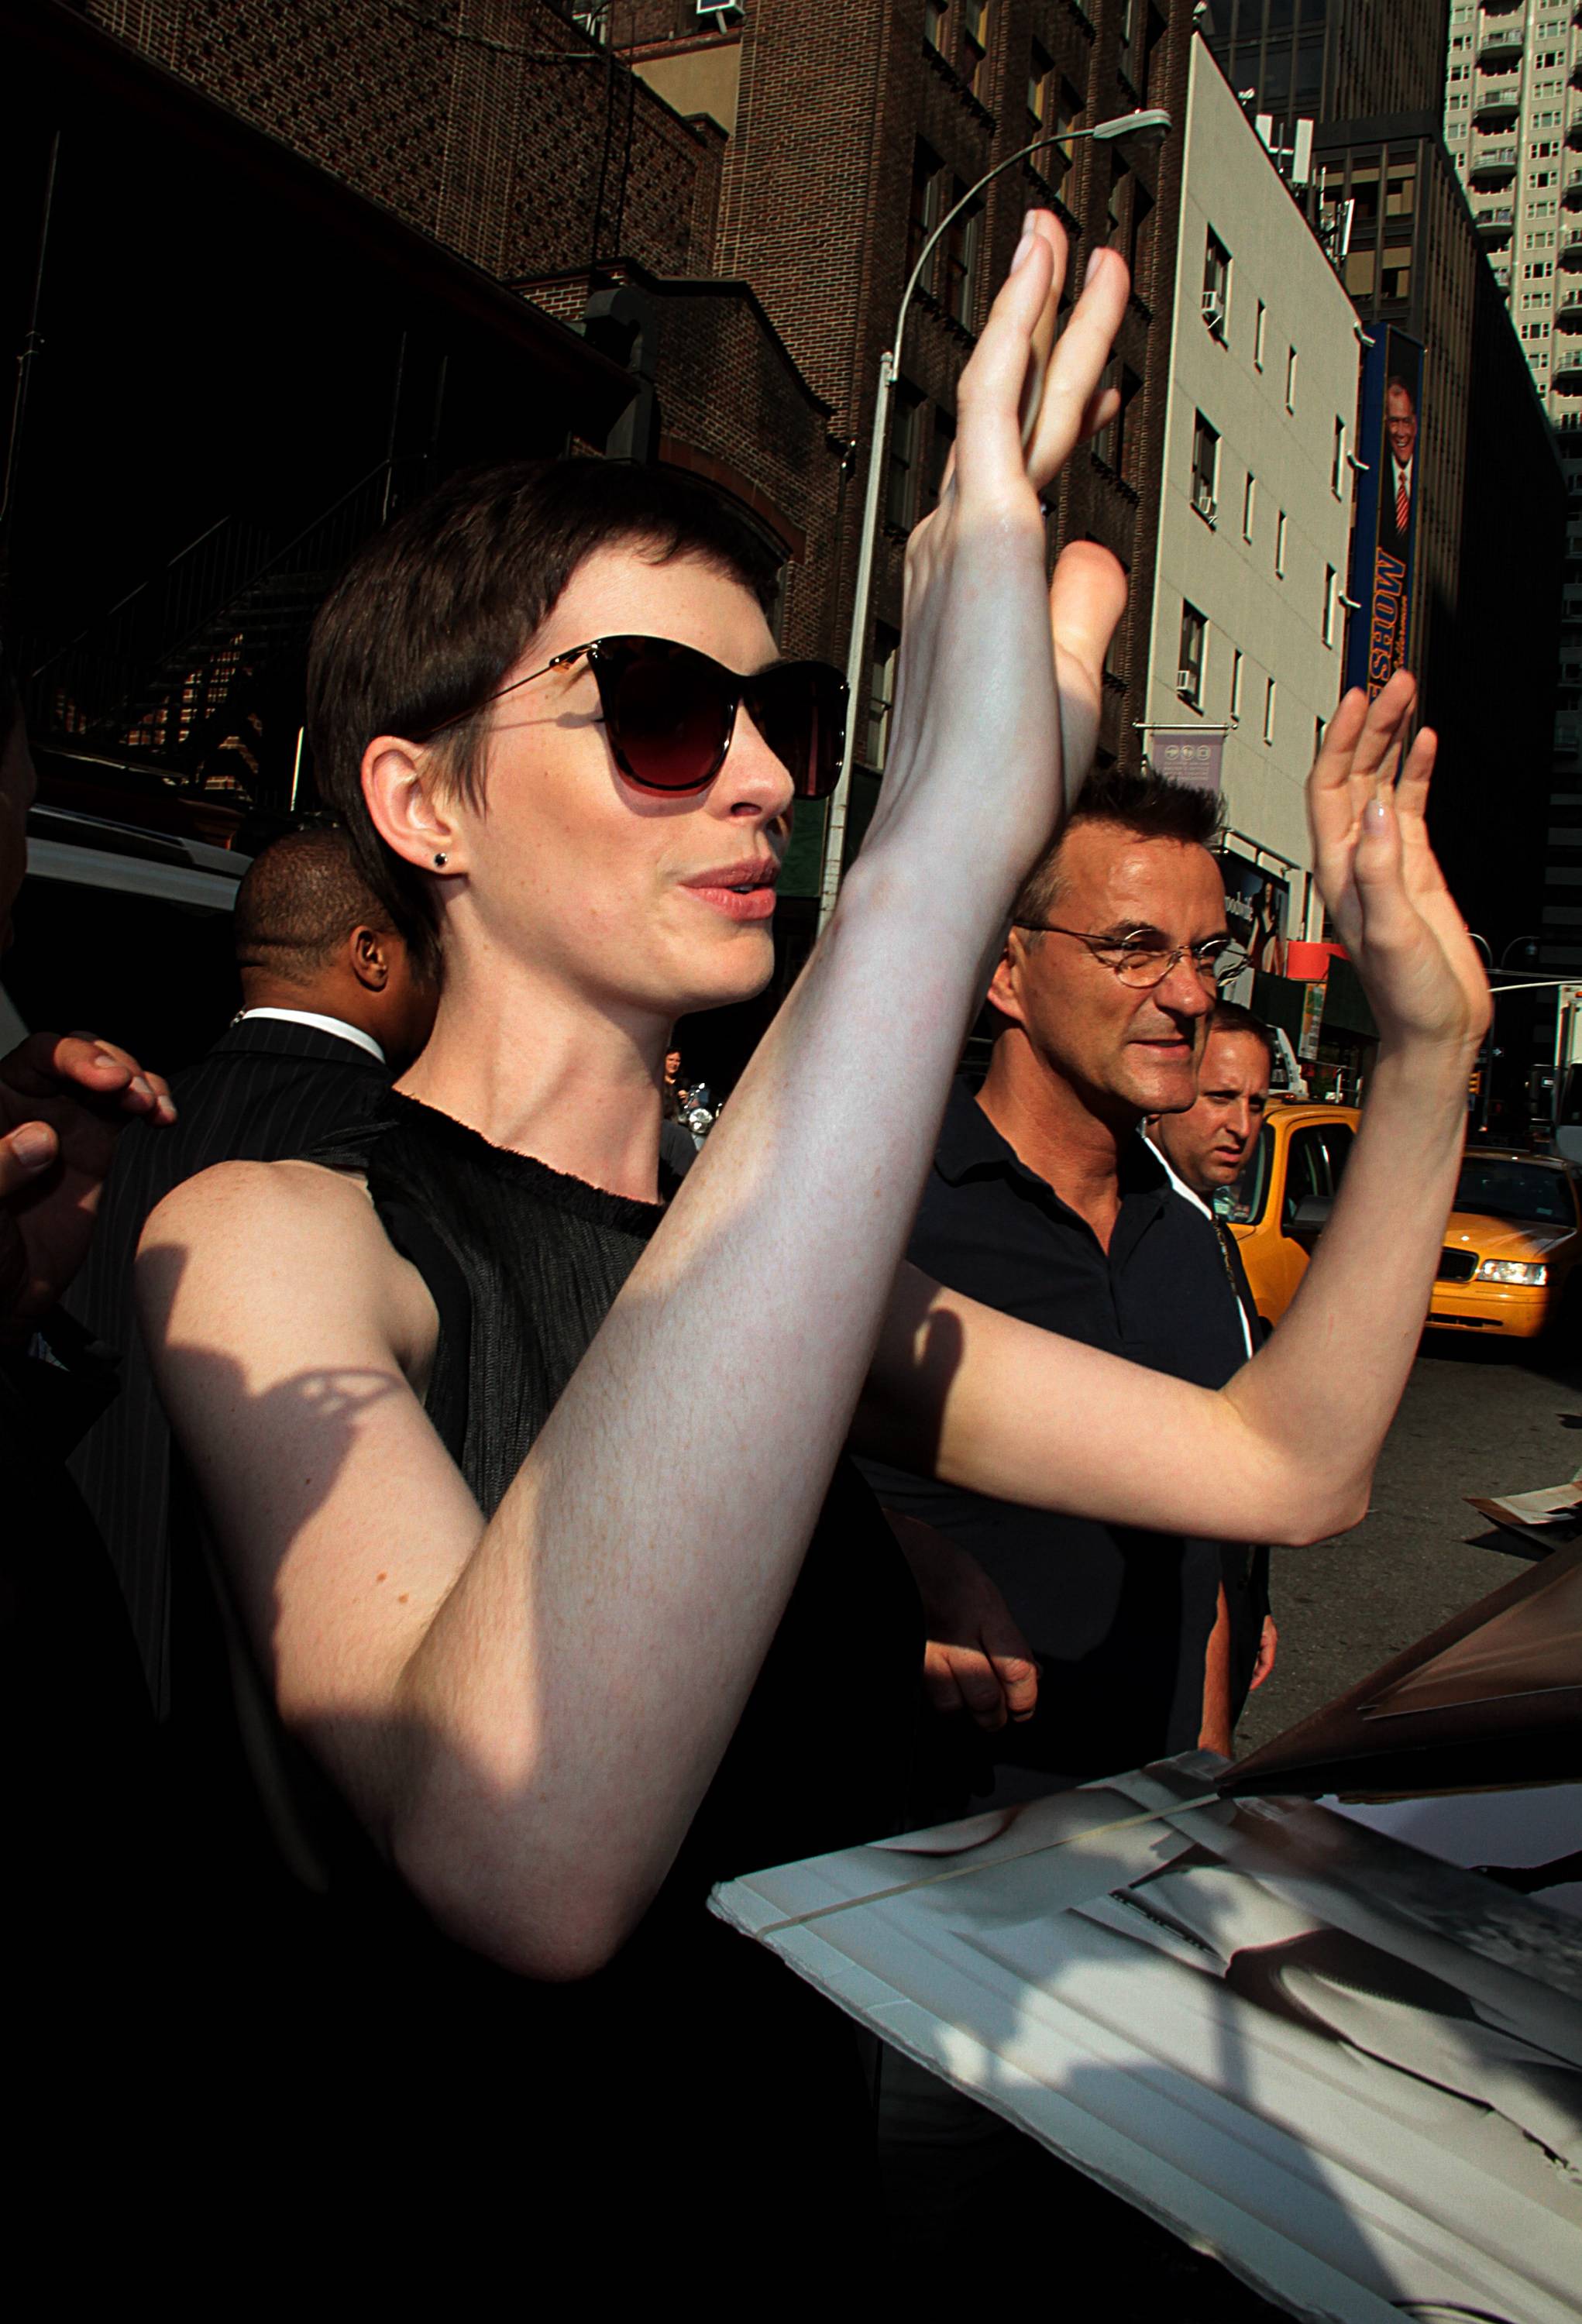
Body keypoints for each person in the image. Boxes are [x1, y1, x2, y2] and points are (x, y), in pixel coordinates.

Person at [134, 213, 1487, 2278]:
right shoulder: (274, 1237)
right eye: (662, 711)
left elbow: (1286, 1461)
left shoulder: (788, 1277)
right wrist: (939, 844)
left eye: (784, 709)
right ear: (422, 804)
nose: (764, 768)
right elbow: (519, 1850)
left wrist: (1432, 1050)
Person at [859, 768, 1263, 1803]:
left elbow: (1197, 1561)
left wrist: (1205, 1783)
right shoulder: (875, 1215)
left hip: (1145, 1864)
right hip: (909, 1868)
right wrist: (889, 1555)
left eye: (1204, 953)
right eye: (1133, 948)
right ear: (1006, 971)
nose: (1188, 995)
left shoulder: (1186, 1240)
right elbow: (720, 1493)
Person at [68, 820, 438, 1707]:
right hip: (269, 1689)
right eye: (429, 950)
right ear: (372, 956)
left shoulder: (117, 1127)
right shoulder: (404, 1150)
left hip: (86, 1633)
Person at [1147, 998, 1281, 1735]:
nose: (1241, 1125)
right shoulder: (1144, 1238)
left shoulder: (1212, 1230)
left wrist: (1255, 1598)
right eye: (1220, 1097)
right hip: (1174, 1638)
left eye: (1257, 1104)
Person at [1378, 374, 1418, 562]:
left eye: (1406, 422)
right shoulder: (1378, 476)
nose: (1401, 433)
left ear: (1416, 424)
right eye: (1394, 422)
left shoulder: (1430, 478)